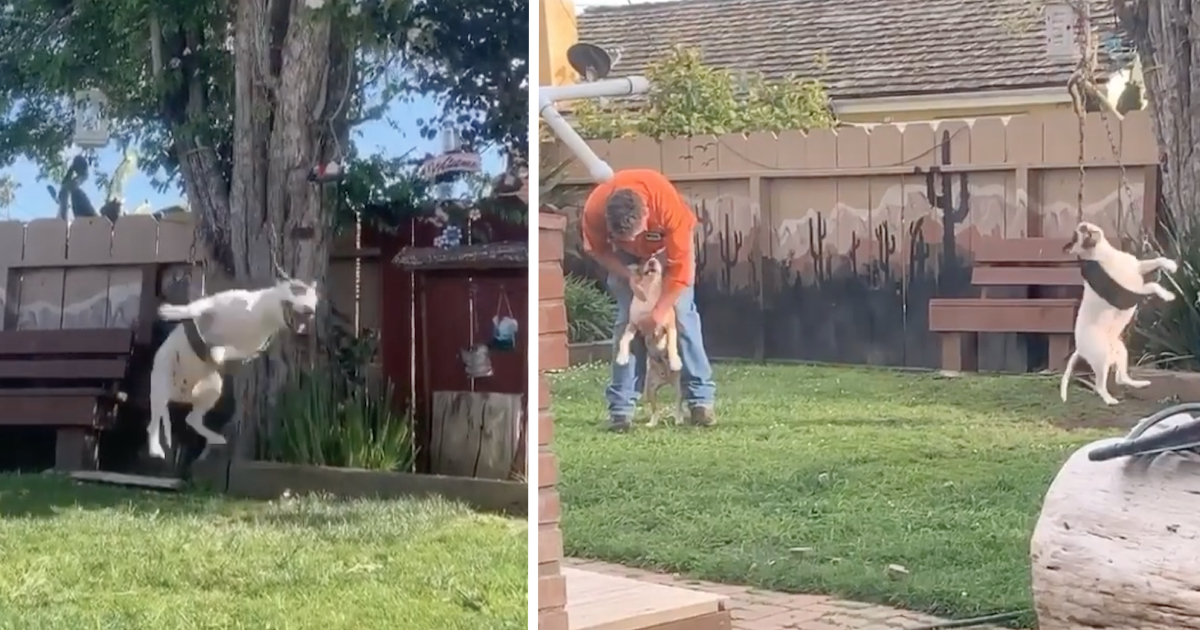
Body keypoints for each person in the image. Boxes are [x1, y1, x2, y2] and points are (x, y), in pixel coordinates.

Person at [581, 168, 717, 431]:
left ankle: (700, 401)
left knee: (683, 316)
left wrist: (660, 311)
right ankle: (621, 410)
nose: (632, 241)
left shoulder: (663, 202)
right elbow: (598, 251)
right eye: (624, 238)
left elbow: (682, 270)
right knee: (626, 322)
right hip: (623, 261)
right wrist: (627, 275)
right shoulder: (594, 210)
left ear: (646, 214)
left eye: (635, 234)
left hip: (665, 251)